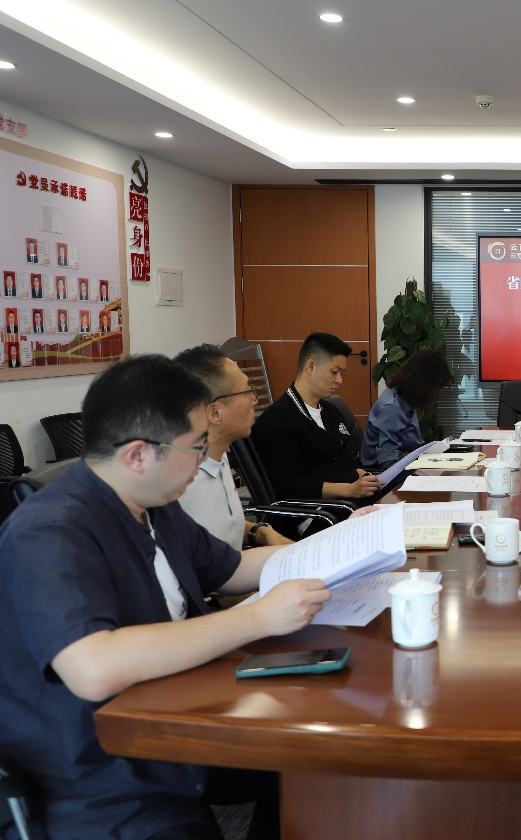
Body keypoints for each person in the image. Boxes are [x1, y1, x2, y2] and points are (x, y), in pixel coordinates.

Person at [0, 354, 329, 839]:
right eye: (195, 447)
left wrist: (337, 546)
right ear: (137, 455)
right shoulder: (50, 531)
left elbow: (233, 569)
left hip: (177, 715)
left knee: (313, 756)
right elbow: (93, 667)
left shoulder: (151, 503)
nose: (204, 459)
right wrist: (260, 618)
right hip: (102, 777)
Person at [175, 344, 293, 550]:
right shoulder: (177, 486)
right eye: (247, 391)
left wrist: (261, 533)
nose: (254, 400)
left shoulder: (217, 455)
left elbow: (219, 528)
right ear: (215, 413)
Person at [251, 331, 379, 500]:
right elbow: (288, 484)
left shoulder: (332, 412)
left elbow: (345, 461)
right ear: (310, 367)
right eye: (334, 372)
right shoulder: (277, 420)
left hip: (352, 498)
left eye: (342, 373)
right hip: (321, 508)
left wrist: (362, 475)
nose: (340, 380)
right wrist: (349, 489)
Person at [362, 348, 451, 468]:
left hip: (410, 464)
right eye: (436, 387)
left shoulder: (405, 399)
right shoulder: (392, 408)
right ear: (425, 384)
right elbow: (388, 462)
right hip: (386, 474)